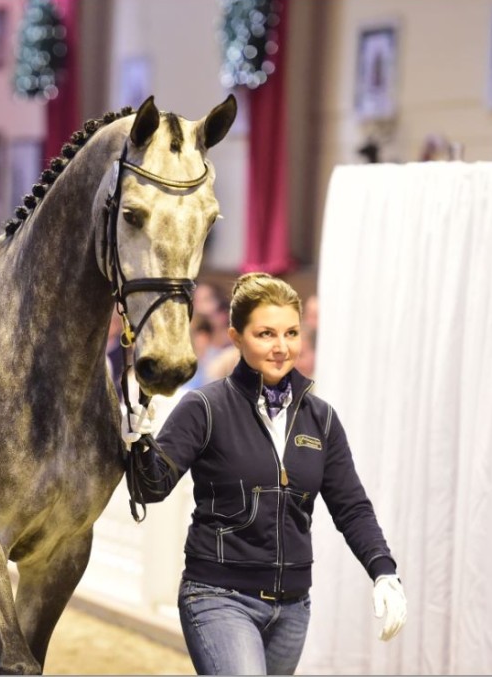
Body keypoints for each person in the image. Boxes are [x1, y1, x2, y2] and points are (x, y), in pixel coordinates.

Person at [123, 272, 406, 675]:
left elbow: (352, 506)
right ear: (236, 337)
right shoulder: (204, 408)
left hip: (293, 607)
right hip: (218, 597)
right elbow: (150, 488)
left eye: (291, 333)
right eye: (266, 334)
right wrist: (138, 444)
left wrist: (384, 571)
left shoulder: (321, 419)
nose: (281, 347)